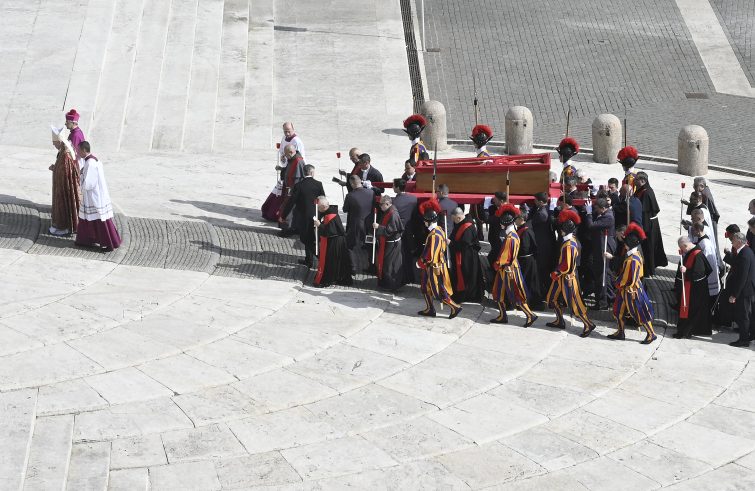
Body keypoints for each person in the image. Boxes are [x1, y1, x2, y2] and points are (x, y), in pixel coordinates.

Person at [546, 210, 595, 335]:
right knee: (552, 298)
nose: (560, 230)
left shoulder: (569, 244)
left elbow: (566, 265)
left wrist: (556, 272)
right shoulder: (571, 240)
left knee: (575, 304)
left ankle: (588, 324)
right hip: (561, 277)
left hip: (567, 277)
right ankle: (559, 321)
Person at [607, 223, 657, 343]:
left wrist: (616, 282)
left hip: (631, 291)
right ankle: (620, 332)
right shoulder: (635, 255)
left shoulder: (633, 259)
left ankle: (651, 334)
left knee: (640, 313)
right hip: (624, 290)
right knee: (618, 311)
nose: (624, 244)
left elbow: (629, 278)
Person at [490, 204, 538, 326]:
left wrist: (497, 263)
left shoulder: (511, 237)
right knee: (498, 293)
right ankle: (502, 316)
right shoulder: (512, 234)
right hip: (506, 269)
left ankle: (530, 315)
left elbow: (506, 257)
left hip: (509, 270)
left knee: (516, 294)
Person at [416, 199, 462, 319]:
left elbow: (430, 255)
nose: (424, 222)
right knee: (425, 288)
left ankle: (455, 307)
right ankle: (430, 309)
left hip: (434, 267)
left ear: (428, 221)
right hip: (432, 266)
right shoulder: (439, 230)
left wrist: (420, 262)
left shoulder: (435, 234)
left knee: (439, 291)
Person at [75, 141, 122, 251]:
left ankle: (109, 243)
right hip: (95, 195)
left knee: (100, 220)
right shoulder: (94, 160)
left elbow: (89, 183)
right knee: (88, 218)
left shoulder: (90, 163)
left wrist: (80, 177)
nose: (77, 153)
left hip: (94, 197)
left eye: (78, 151)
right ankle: (85, 240)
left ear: (84, 150)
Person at [281, 164, 325, 268]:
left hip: (303, 217)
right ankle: (309, 260)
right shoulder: (318, 184)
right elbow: (323, 199)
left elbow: (291, 202)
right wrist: (323, 214)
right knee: (310, 238)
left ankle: (319, 258)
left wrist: (283, 215)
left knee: (306, 238)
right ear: (312, 172)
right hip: (316, 215)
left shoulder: (299, 185)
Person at [674, 236, 713, 338]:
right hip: (693, 287)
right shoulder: (691, 252)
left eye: (682, 248)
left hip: (697, 289)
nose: (681, 250)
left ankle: (688, 331)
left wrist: (686, 271)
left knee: (692, 311)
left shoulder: (697, 254)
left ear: (685, 245)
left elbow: (699, 273)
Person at [312, 196, 353, 287]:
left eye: (318, 207)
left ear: (323, 207)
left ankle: (328, 279)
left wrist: (320, 225)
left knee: (331, 262)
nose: (317, 210)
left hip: (335, 242)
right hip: (335, 241)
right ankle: (338, 278)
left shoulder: (330, 216)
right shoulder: (329, 212)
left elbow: (330, 231)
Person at [584, 197, 616, 310]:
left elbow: (591, 226)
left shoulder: (608, 217)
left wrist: (588, 213)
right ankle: (609, 298)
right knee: (604, 273)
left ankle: (602, 302)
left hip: (604, 247)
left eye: (597, 208)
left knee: (601, 275)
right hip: (600, 245)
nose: (595, 210)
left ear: (603, 208)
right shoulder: (605, 213)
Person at [634, 172, 668, 276]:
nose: (634, 181)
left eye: (636, 179)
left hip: (648, 224)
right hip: (648, 222)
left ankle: (649, 270)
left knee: (649, 248)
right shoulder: (642, 189)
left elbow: (645, 211)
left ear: (643, 181)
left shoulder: (647, 192)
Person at [48, 126, 80, 236]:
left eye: (54, 143)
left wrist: (55, 168)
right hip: (64, 183)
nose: (54, 145)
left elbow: (65, 170)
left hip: (64, 185)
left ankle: (64, 227)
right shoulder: (64, 149)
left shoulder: (65, 154)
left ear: (59, 142)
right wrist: (55, 167)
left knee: (63, 205)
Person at [449, 207, 484, 303]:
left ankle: (467, 296)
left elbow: (464, 244)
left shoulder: (467, 227)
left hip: (467, 257)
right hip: (465, 255)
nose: (453, 222)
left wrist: (451, 243)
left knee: (467, 277)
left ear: (458, 217)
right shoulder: (461, 223)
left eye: (454, 219)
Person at [727, 232, 755, 347]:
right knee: (747, 314)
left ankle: (744, 340)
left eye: (733, 240)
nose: (731, 242)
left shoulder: (744, 254)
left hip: (744, 291)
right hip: (748, 289)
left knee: (743, 315)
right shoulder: (746, 251)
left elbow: (742, 278)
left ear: (739, 241)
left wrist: (735, 295)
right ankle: (750, 335)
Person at [342, 175, 374, 274]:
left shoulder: (350, 195)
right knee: (369, 245)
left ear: (352, 184)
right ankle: (372, 266)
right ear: (360, 181)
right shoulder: (371, 192)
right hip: (369, 224)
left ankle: (353, 268)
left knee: (350, 245)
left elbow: (345, 209)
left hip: (355, 225)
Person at [372, 195, 404, 291]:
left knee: (390, 265)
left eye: (381, 204)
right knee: (387, 264)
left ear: (387, 204)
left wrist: (379, 227)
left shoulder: (393, 214)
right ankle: (386, 283)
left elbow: (391, 231)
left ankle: (391, 285)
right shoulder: (388, 211)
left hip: (392, 244)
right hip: (388, 243)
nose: (380, 206)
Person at [392, 179, 419, 284]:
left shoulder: (394, 202)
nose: (393, 187)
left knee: (399, 255)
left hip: (397, 230)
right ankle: (410, 276)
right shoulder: (413, 199)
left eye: (393, 186)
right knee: (408, 254)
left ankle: (401, 277)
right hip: (409, 230)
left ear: (398, 188)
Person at [514, 207, 541, 308]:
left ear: (521, 219)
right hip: (527, 260)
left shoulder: (525, 231)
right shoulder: (524, 229)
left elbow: (525, 248)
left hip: (525, 260)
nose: (515, 220)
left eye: (516, 218)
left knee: (527, 282)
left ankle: (527, 303)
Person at [689, 222, 720, 308]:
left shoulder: (705, 244)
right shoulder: (702, 240)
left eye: (693, 230)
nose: (692, 232)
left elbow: (705, 261)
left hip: (708, 275)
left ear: (698, 230)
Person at [532, 191, 556, 300]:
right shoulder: (545, 209)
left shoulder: (542, 214)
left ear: (541, 202)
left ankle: (546, 293)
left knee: (543, 270)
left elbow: (532, 223)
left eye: (535, 200)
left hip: (543, 246)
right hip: (546, 244)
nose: (534, 202)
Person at [277, 144, 306, 232]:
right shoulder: (292, 159)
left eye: (286, 154)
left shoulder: (298, 161)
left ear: (291, 152)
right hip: (289, 189)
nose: (285, 156)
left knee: (290, 209)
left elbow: (298, 178)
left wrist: (292, 190)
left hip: (293, 190)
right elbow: (288, 170)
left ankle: (288, 228)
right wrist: (281, 169)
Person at [486, 191, 508, 265]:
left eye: (495, 199)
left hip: (503, 237)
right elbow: (488, 219)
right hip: (493, 236)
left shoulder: (508, 209)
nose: (493, 200)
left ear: (501, 201)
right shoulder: (492, 208)